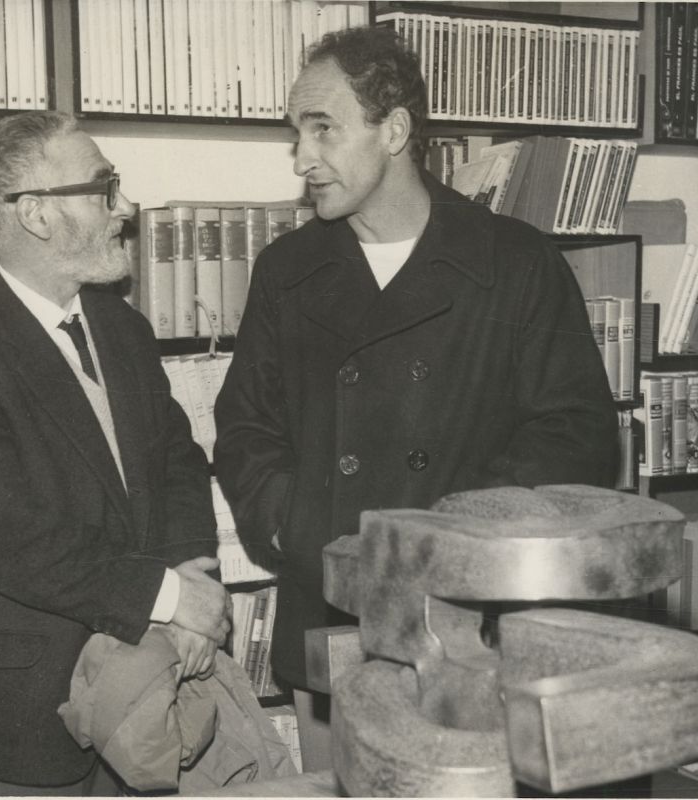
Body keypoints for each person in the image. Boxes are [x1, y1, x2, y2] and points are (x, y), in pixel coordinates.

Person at [213, 25, 619, 770]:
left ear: (394, 129)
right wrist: (304, 527)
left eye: (323, 129)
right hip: (333, 612)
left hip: (475, 631)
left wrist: (448, 543)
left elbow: (578, 438)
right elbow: (244, 430)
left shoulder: (517, 264)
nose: (303, 159)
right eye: (295, 134)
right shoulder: (287, 270)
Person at [0, 111, 231, 796]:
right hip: (23, 730)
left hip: (148, 702)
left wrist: (192, 581)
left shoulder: (124, 328)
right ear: (39, 215)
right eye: (104, 187)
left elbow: (179, 465)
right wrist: (173, 599)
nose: (126, 207)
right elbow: (15, 543)